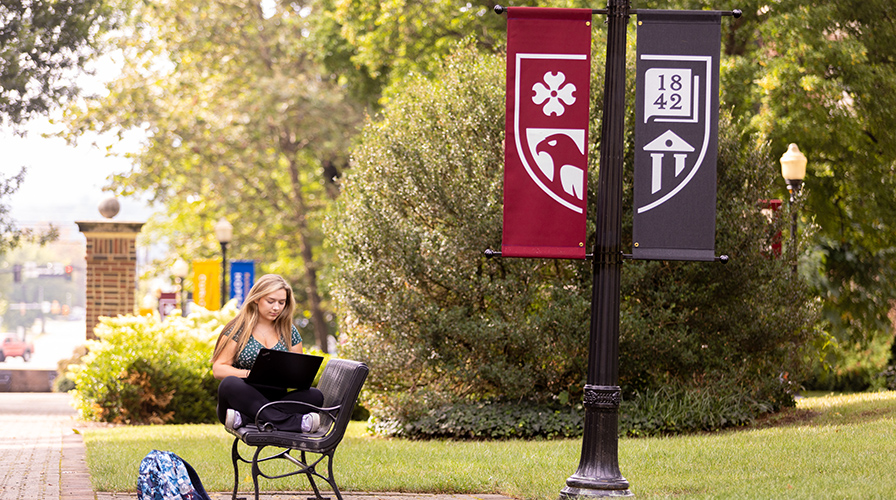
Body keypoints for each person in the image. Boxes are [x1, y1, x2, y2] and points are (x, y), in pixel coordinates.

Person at [212, 274, 323, 433]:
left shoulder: (289, 331)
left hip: (275, 400)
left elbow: (299, 374)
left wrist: (293, 376)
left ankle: (247, 418)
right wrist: (250, 374)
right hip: (242, 399)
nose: (276, 307)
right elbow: (218, 369)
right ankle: (295, 423)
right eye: (271, 301)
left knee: (314, 396)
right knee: (229, 384)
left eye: (281, 302)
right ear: (256, 299)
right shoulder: (237, 329)